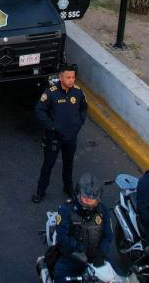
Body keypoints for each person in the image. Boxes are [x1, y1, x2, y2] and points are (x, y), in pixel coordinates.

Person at [32, 63, 87, 203]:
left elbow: (83, 109)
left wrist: (78, 124)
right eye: (68, 77)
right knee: (48, 165)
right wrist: (51, 127)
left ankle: (68, 188)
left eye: (73, 77)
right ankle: (40, 191)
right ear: (60, 77)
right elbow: (39, 111)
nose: (71, 80)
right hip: (54, 138)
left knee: (69, 165)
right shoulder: (50, 92)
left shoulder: (78, 92)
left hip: (71, 138)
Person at [53, 174, 113, 282]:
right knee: (60, 278)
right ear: (78, 194)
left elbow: (108, 235)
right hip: (71, 258)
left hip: (96, 257)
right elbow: (62, 237)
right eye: (86, 199)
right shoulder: (66, 210)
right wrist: (83, 250)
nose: (89, 202)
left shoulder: (103, 211)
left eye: (92, 200)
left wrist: (100, 253)